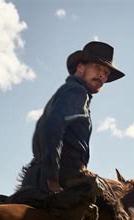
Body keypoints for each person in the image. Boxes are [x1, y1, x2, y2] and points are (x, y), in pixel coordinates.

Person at [19, 41, 125, 195]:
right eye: (97, 68)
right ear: (80, 68)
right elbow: (53, 129)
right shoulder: (76, 92)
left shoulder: (71, 92)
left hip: (42, 173)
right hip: (63, 176)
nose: (102, 75)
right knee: (112, 207)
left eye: (106, 73)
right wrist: (52, 178)